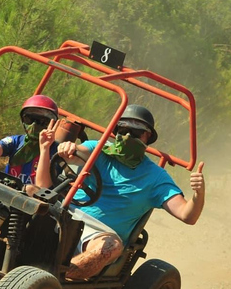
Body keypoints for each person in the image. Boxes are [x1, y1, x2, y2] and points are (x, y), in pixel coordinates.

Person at [36, 104, 205, 280]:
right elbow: (75, 154)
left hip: (100, 233)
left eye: (135, 132)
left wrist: (198, 194)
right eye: (123, 129)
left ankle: (56, 277)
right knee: (30, 193)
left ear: (147, 136)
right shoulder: (98, 149)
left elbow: (188, 215)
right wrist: (68, 148)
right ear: (116, 131)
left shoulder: (156, 176)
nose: (127, 136)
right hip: (67, 214)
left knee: (112, 246)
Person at [0, 95, 66, 188]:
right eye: (30, 118)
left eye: (42, 121)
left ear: (53, 124)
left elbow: (42, 186)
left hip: (33, 206)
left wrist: (45, 148)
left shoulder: (56, 151)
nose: (34, 125)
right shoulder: (16, 141)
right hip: (6, 193)